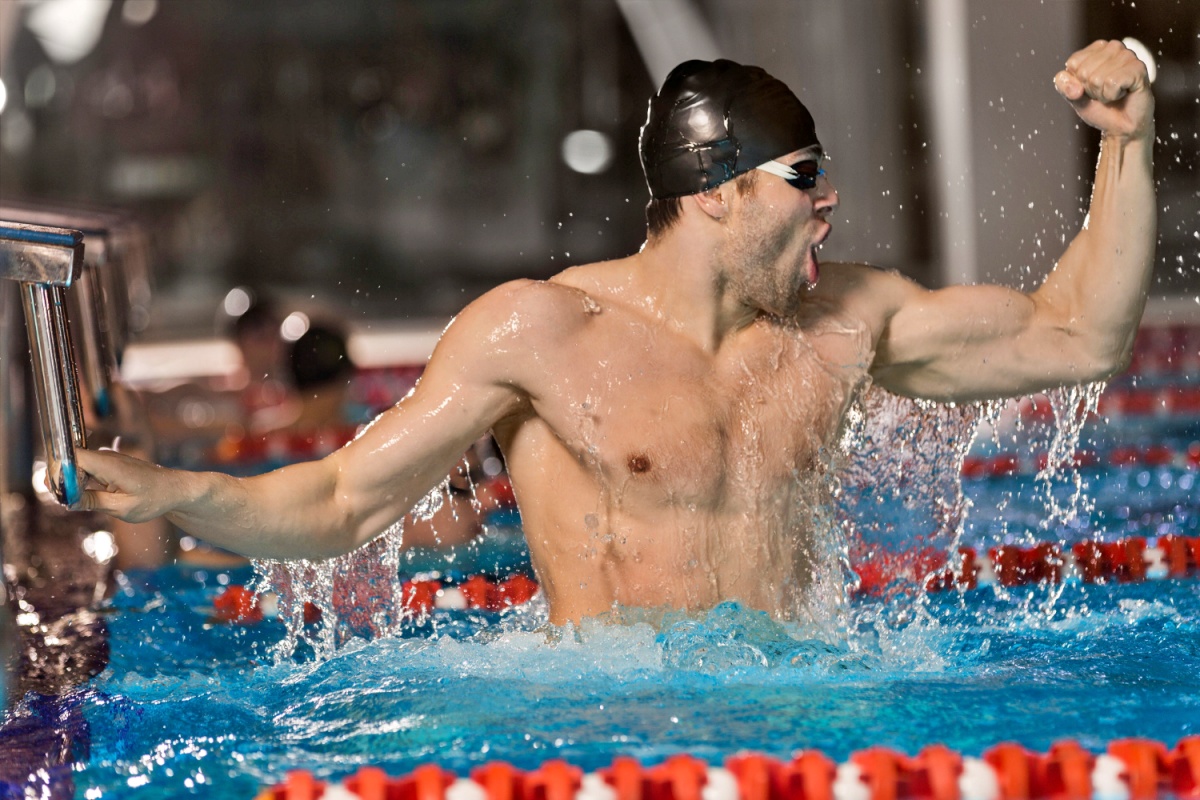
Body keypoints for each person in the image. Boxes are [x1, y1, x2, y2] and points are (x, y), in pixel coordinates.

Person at [74, 41, 1155, 626]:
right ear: (718, 191)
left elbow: (1077, 337)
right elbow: (345, 496)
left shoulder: (848, 321)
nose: (831, 204)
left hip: (802, 721)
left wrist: (1127, 148)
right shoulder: (537, 329)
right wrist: (182, 494)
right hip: (609, 727)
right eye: (806, 178)